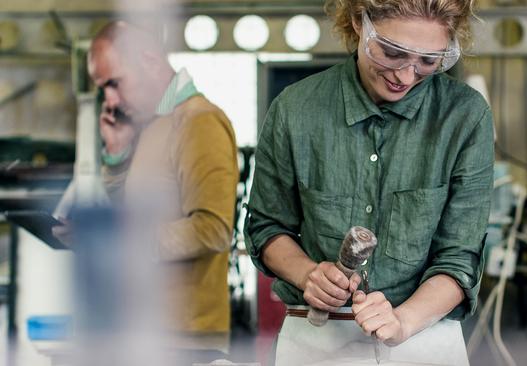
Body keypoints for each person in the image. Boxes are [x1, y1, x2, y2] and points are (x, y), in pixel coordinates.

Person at [244, 0, 493, 364]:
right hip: (316, 339)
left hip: (423, 334)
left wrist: (403, 321)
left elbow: (459, 257)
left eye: (428, 60)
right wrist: (309, 274)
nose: (406, 76)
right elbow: (266, 227)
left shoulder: (465, 117)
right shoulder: (296, 110)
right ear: (360, 23)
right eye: (393, 53)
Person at [56, 21, 239, 362]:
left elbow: (214, 230)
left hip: (185, 340)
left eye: (114, 83)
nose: (109, 100)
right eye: (102, 89)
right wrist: (116, 154)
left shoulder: (200, 121)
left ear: (150, 61)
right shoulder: (155, 124)